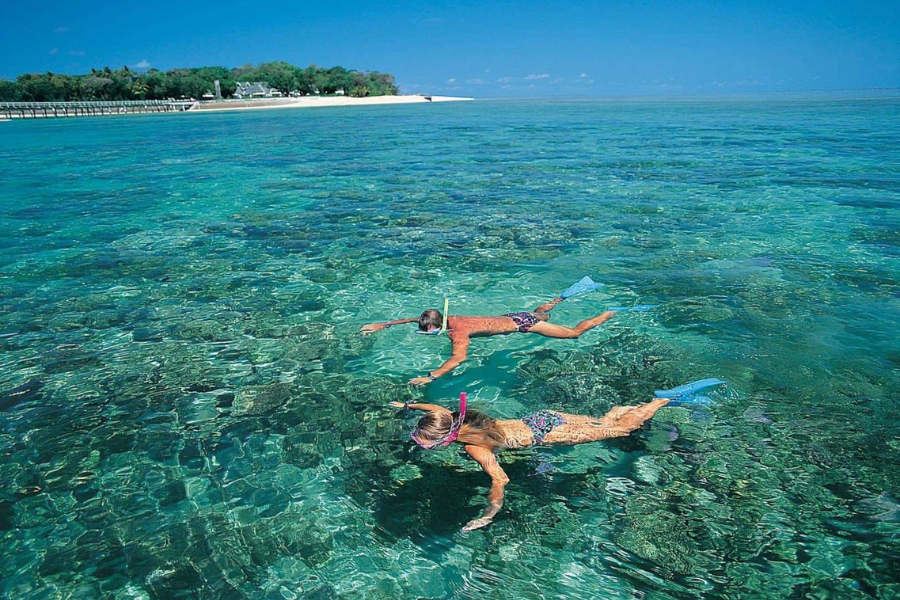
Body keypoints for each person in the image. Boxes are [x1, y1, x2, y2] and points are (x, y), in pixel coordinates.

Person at [390, 389, 680, 532]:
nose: (425, 446)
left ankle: (662, 401)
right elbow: (432, 408)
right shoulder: (456, 417)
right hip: (542, 417)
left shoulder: (474, 448)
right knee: (599, 424)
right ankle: (620, 409)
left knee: (620, 431)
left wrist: (488, 514)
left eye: (428, 443)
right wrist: (408, 405)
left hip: (551, 433)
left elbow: (500, 479)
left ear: (446, 438)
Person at [361, 296, 616, 386]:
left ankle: (608, 313)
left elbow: (459, 357)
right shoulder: (449, 317)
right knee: (541, 313)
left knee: (573, 334)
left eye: (428, 331)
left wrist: (432, 376)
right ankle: (557, 301)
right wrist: (382, 325)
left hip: (523, 324)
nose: (426, 333)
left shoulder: (457, 333)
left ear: (438, 326)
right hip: (514, 316)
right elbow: (409, 318)